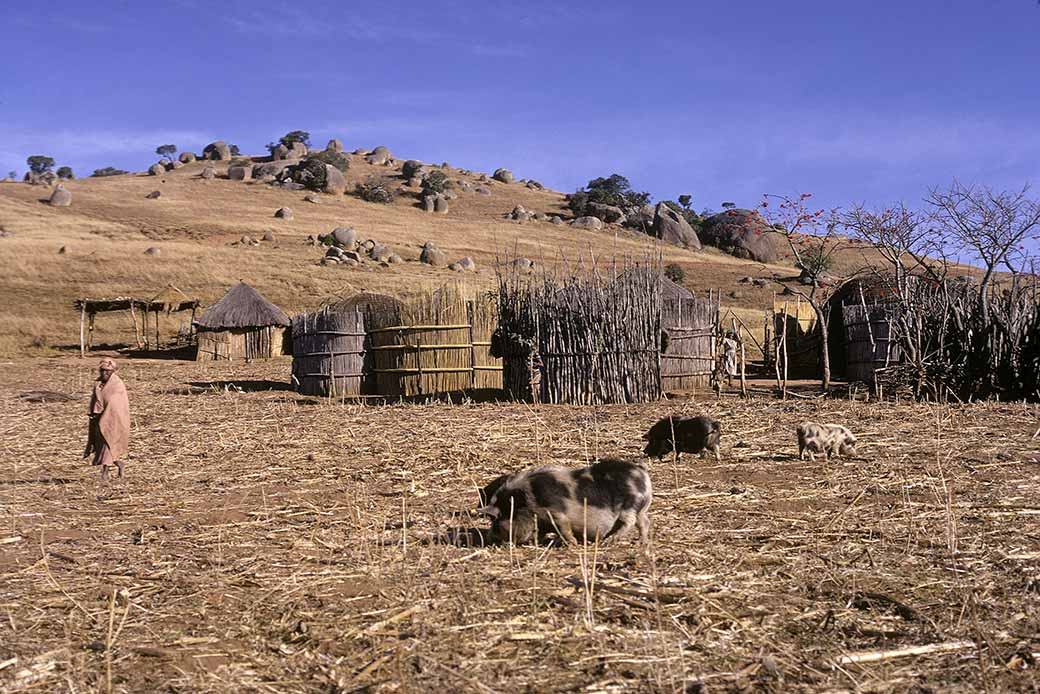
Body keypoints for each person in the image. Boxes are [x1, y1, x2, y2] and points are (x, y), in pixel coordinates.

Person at [84, 357, 130, 482]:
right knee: (104, 448)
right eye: (103, 370)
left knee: (107, 448)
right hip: (99, 421)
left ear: (113, 371)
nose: (105, 373)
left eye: (108, 371)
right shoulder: (98, 385)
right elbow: (96, 402)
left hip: (113, 422)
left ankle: (104, 474)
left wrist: (106, 415)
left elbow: (116, 405)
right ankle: (119, 464)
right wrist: (95, 414)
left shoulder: (117, 385)